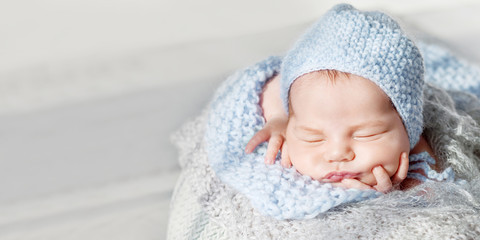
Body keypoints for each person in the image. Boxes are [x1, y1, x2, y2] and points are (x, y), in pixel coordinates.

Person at [245, 4, 437, 193]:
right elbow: (270, 85)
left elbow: (433, 193)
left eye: (366, 134)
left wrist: (402, 190)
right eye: (312, 137)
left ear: (408, 127)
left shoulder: (418, 144)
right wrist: (277, 119)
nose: (337, 154)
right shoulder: (275, 175)